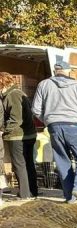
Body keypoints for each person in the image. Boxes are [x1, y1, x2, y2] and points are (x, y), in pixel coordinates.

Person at [30, 61, 77, 203]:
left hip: (54, 127)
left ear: (55, 71)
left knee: (62, 161)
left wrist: (48, 120)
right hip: (75, 126)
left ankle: (70, 197)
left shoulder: (43, 84)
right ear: (68, 71)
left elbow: (35, 109)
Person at [0, 72, 37, 200]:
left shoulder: (13, 95)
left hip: (18, 135)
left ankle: (25, 193)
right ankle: (32, 191)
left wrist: (4, 130)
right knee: (28, 163)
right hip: (27, 134)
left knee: (19, 164)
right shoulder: (18, 93)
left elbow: (16, 118)